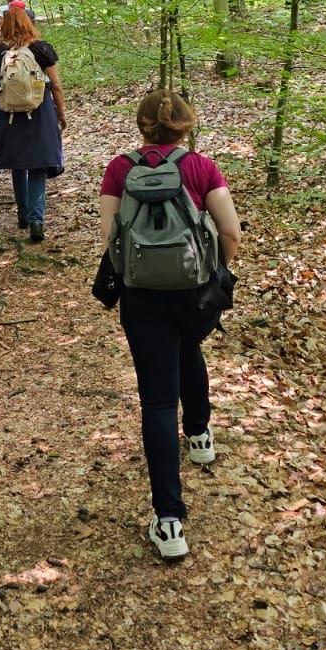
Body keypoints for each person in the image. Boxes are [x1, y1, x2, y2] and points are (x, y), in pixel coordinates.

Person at [99, 89, 241, 561]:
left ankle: (169, 521)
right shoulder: (202, 167)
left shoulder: (120, 169)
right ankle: (199, 437)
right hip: (195, 292)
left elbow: (110, 240)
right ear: (186, 124)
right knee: (190, 350)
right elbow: (231, 232)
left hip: (142, 298)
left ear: (140, 124)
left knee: (157, 399)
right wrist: (214, 269)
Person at [0, 7, 67, 243]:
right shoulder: (42, 49)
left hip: (9, 114)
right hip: (39, 111)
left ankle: (22, 214)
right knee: (37, 166)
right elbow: (56, 86)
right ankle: (36, 220)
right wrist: (61, 114)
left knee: (18, 164)